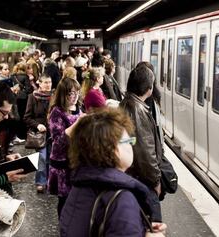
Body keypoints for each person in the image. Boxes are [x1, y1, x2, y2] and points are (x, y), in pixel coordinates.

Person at [59, 108, 166, 237]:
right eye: (128, 142)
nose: (131, 146)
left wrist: (140, 228)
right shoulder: (122, 200)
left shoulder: (80, 187)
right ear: (113, 149)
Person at [119, 66, 163, 222]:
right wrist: (156, 181)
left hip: (132, 176)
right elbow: (145, 151)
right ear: (148, 88)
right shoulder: (138, 110)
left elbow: (131, 141)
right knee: (152, 223)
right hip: (142, 180)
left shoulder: (126, 102)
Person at [47, 77, 83, 217]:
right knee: (65, 200)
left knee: (76, 199)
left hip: (76, 160)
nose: (74, 97)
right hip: (62, 163)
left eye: (77, 93)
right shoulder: (56, 112)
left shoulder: (78, 108)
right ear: (63, 95)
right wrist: (78, 123)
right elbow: (59, 140)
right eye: (71, 94)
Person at [24, 74, 53, 192]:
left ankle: (51, 181)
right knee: (42, 157)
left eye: (49, 82)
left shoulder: (55, 97)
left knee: (51, 158)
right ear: (39, 84)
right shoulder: (32, 97)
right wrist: (37, 125)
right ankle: (41, 182)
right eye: (45, 82)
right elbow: (27, 117)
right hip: (40, 134)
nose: (48, 85)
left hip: (53, 133)